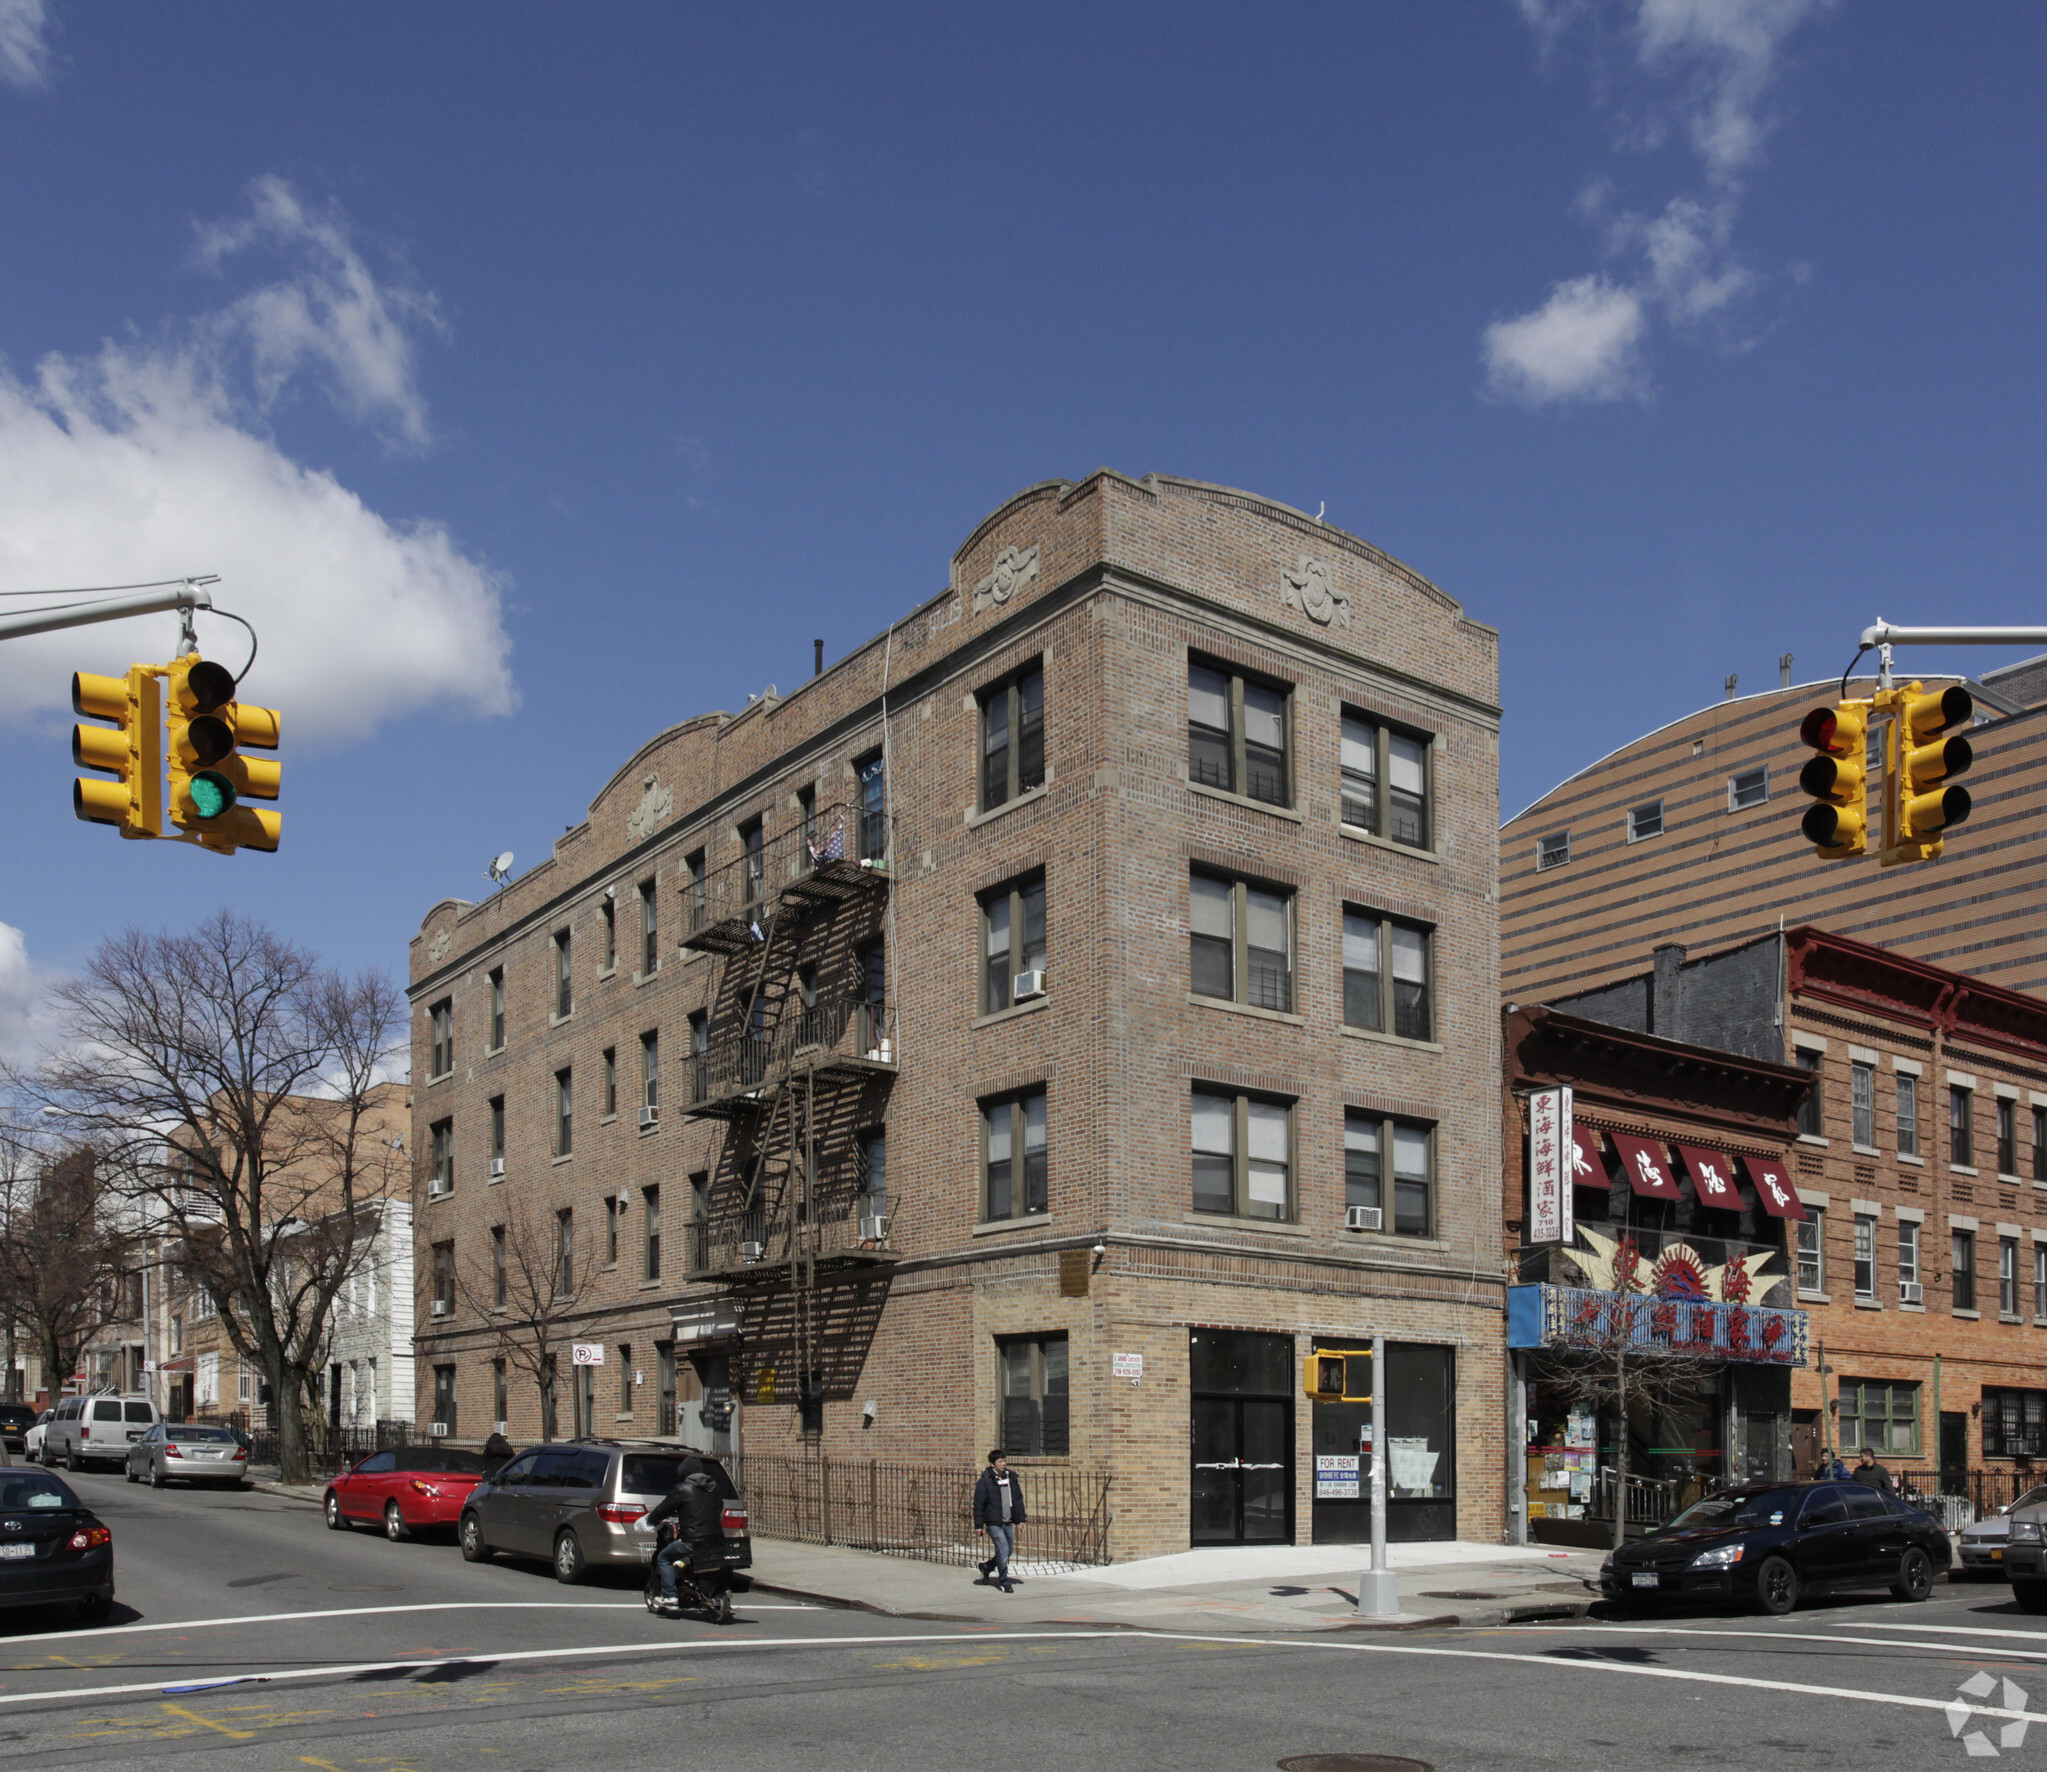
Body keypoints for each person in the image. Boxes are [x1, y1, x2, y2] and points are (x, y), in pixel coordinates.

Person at [643, 1456, 718, 1613]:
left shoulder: (682, 1489)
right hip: (716, 1540)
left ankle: (670, 1596)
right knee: (689, 1559)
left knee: (664, 1557)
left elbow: (664, 1508)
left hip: (692, 1540)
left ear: (685, 1473)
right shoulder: (714, 1488)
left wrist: (652, 1519)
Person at [972, 1449, 1026, 1594]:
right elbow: (978, 1504)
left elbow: (1018, 1500)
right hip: (993, 1522)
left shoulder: (1011, 1478)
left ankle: (987, 1567)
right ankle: (1004, 1581)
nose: (1004, 1464)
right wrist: (979, 1525)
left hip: (1007, 1521)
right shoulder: (985, 1481)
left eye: (1004, 1461)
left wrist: (1021, 1519)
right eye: (1000, 1461)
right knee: (1002, 1549)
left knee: (1007, 1552)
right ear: (992, 1464)